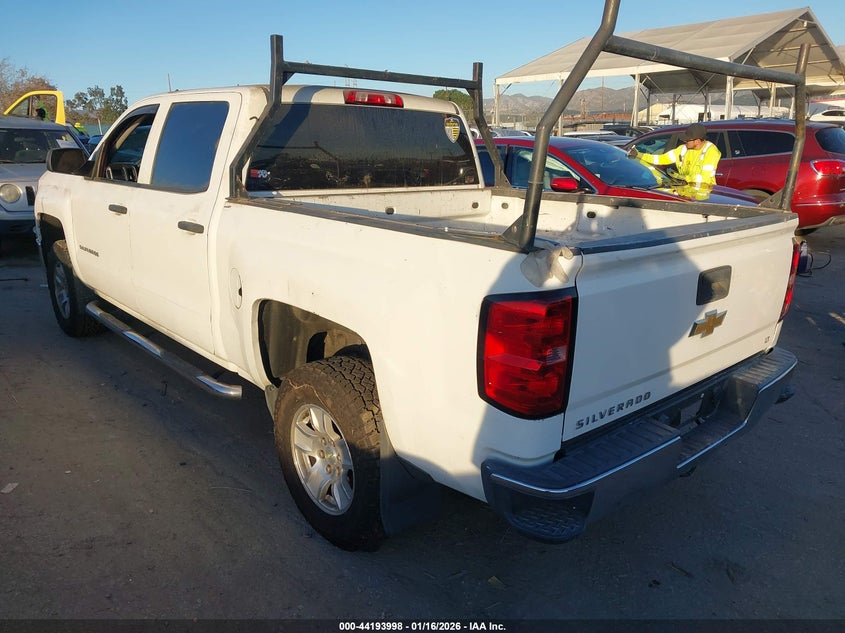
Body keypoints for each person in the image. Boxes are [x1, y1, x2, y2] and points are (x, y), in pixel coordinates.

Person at [628, 122, 721, 189]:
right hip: (686, 190)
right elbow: (662, 159)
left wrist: (682, 178)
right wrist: (640, 155)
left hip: (703, 192)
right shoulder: (683, 149)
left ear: (697, 141)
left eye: (688, 140)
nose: (685, 141)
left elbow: (704, 178)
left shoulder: (711, 152)